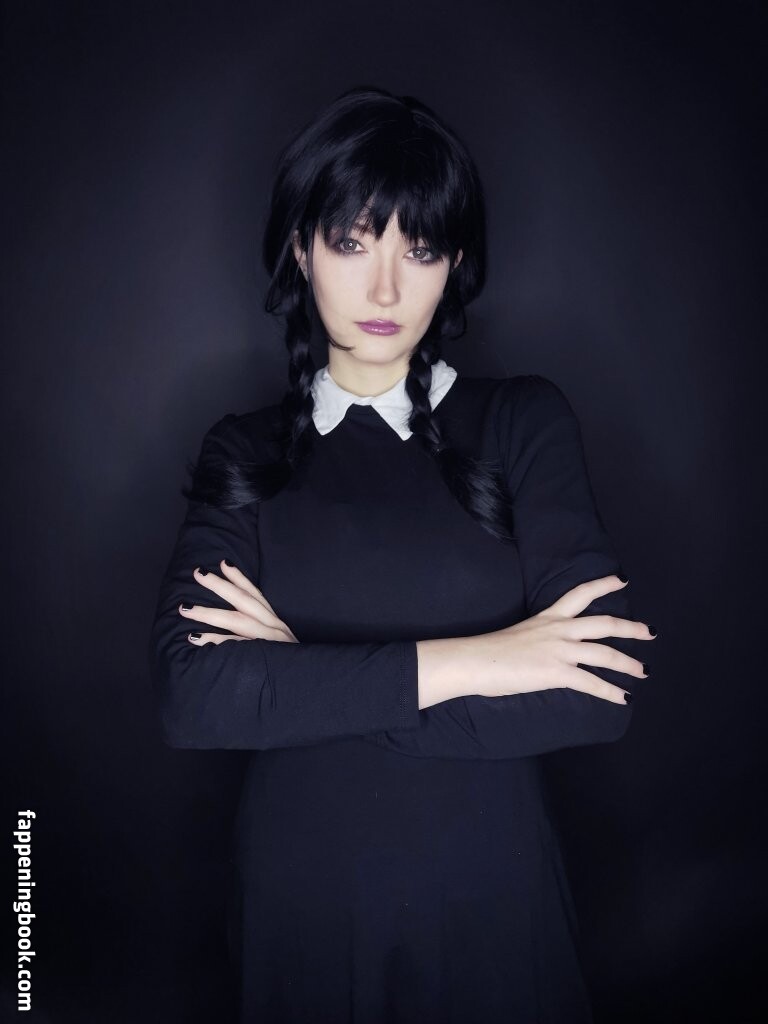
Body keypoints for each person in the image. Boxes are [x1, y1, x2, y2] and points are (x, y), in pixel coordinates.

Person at [148, 85, 655, 1024]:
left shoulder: (522, 421)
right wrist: (487, 662)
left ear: (453, 263)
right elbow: (193, 696)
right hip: (300, 903)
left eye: (419, 250)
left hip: (492, 897)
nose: (385, 291)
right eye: (352, 243)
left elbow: (602, 693)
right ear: (301, 249)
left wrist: (300, 678)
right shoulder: (243, 451)